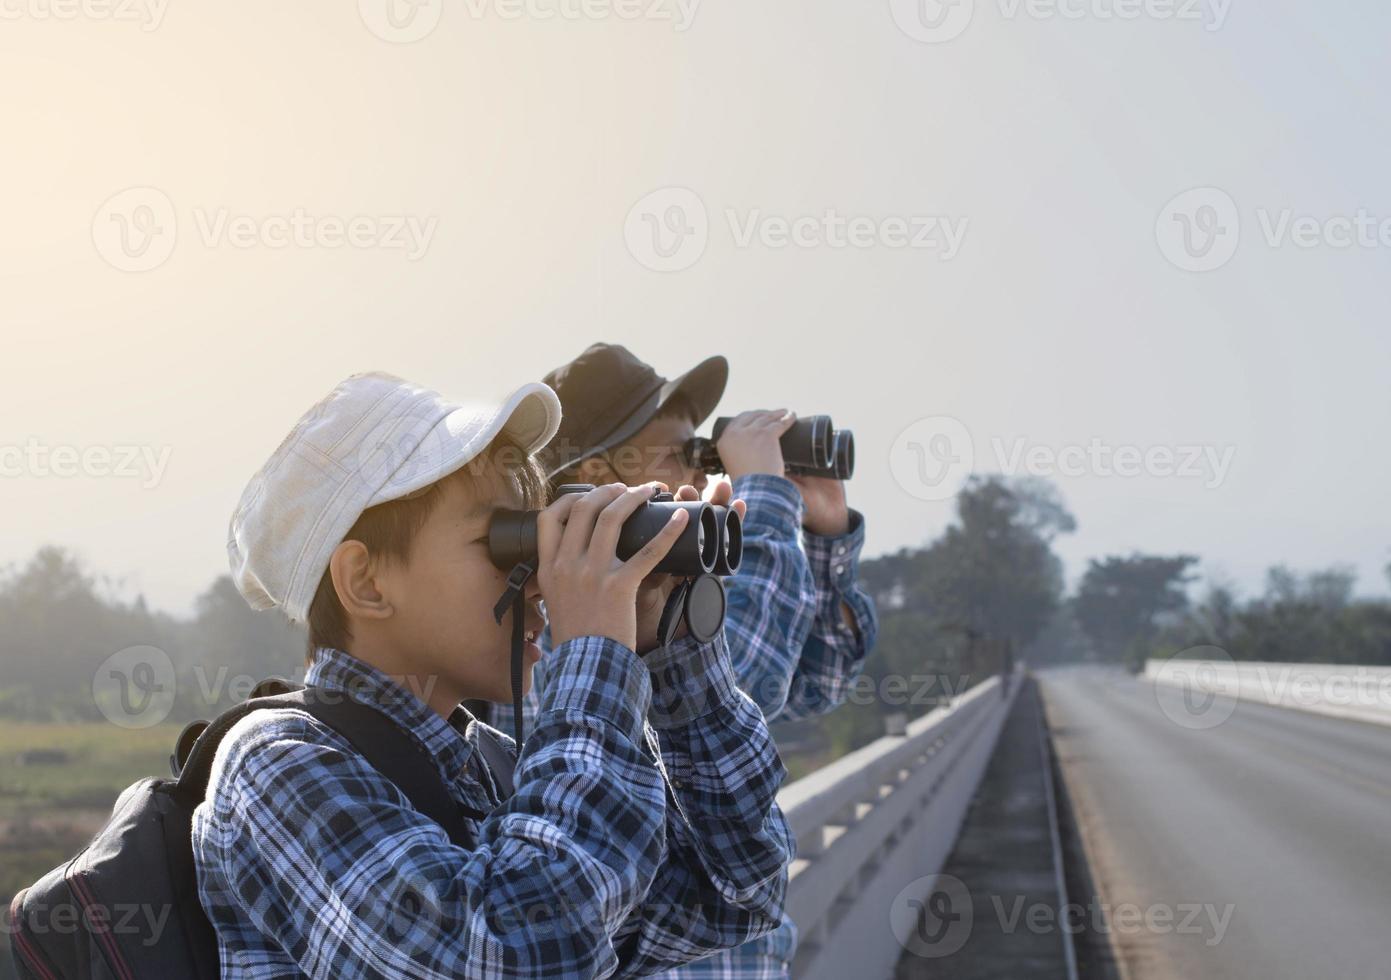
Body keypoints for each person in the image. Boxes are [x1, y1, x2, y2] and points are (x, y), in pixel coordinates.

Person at [197, 371, 795, 978]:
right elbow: (511, 955)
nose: (540, 579)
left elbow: (731, 895)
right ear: (367, 582)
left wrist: (670, 650)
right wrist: (594, 656)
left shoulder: (490, 767)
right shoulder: (277, 766)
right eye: (504, 542)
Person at [476, 344, 879, 978]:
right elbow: (748, 674)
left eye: (702, 452)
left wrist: (822, 531)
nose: (697, 472)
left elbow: (815, 684)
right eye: (679, 453)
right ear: (602, 472)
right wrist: (765, 498)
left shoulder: (654, 593)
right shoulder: (563, 615)